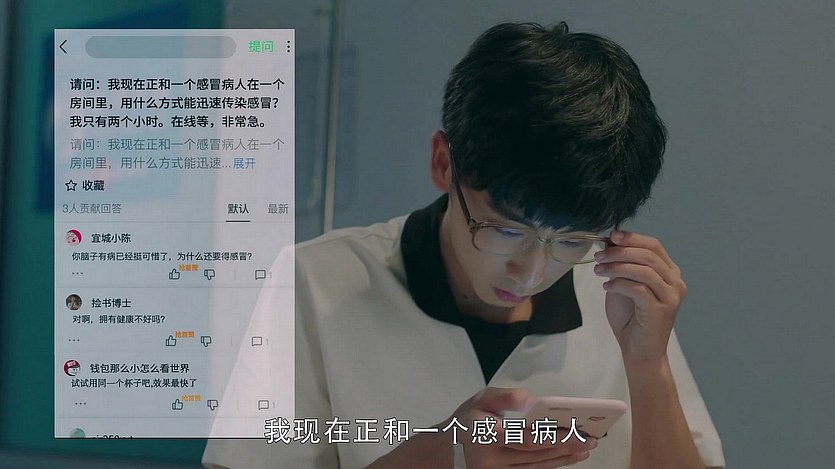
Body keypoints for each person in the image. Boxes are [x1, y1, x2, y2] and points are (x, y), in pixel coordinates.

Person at [203, 22, 724, 468]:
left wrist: (648, 366)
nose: (531, 273)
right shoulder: (313, 281)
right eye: (507, 231)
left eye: (570, 239)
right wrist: (444, 453)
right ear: (444, 164)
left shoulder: (619, 297)